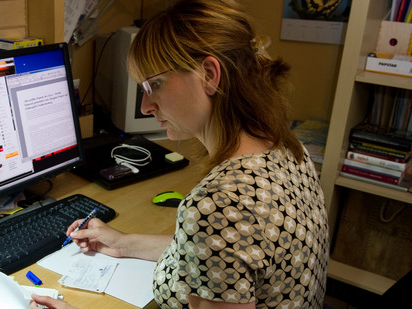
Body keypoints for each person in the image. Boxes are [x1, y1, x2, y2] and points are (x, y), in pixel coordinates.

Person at [30, 0, 329, 308]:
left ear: (210, 74)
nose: (146, 106)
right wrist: (123, 244)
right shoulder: (288, 149)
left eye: (154, 84)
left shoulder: (219, 205)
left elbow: (219, 234)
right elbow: (220, 251)